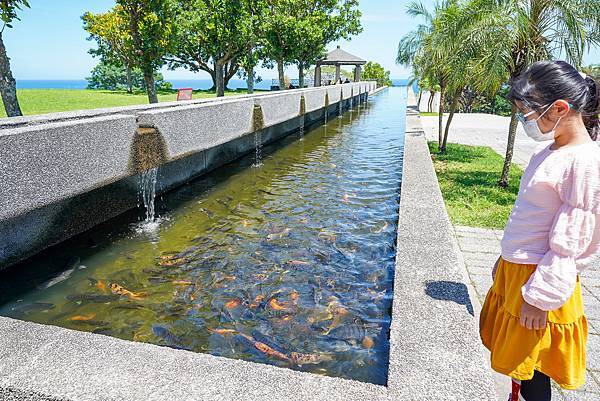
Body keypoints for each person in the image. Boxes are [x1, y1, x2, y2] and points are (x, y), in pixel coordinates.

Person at [479, 60, 600, 401]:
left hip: (541, 279)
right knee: (522, 364)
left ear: (560, 109)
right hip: (519, 269)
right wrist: (504, 259)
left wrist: (541, 298)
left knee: (534, 363)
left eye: (527, 113)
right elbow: (529, 216)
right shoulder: (548, 150)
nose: (525, 121)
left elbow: (572, 242)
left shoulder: (584, 162)